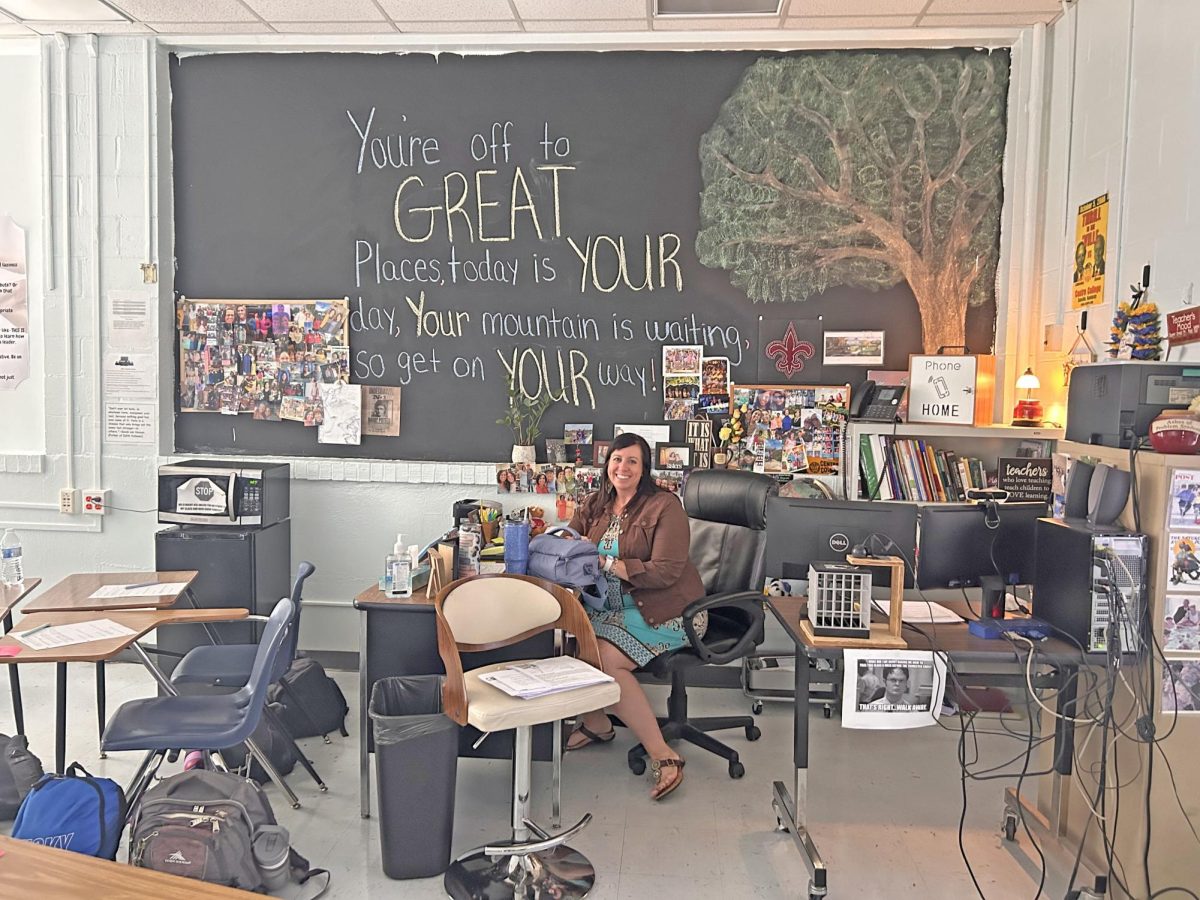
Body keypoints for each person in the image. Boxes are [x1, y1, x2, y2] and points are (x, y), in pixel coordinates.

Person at [564, 432, 704, 801]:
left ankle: (664, 755)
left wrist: (607, 562)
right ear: (606, 463)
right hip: (608, 609)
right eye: (616, 459)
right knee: (567, 639)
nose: (622, 468)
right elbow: (567, 538)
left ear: (644, 470)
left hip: (668, 610)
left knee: (606, 661)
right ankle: (597, 723)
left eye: (632, 461)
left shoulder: (664, 506)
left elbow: (665, 573)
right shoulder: (596, 503)